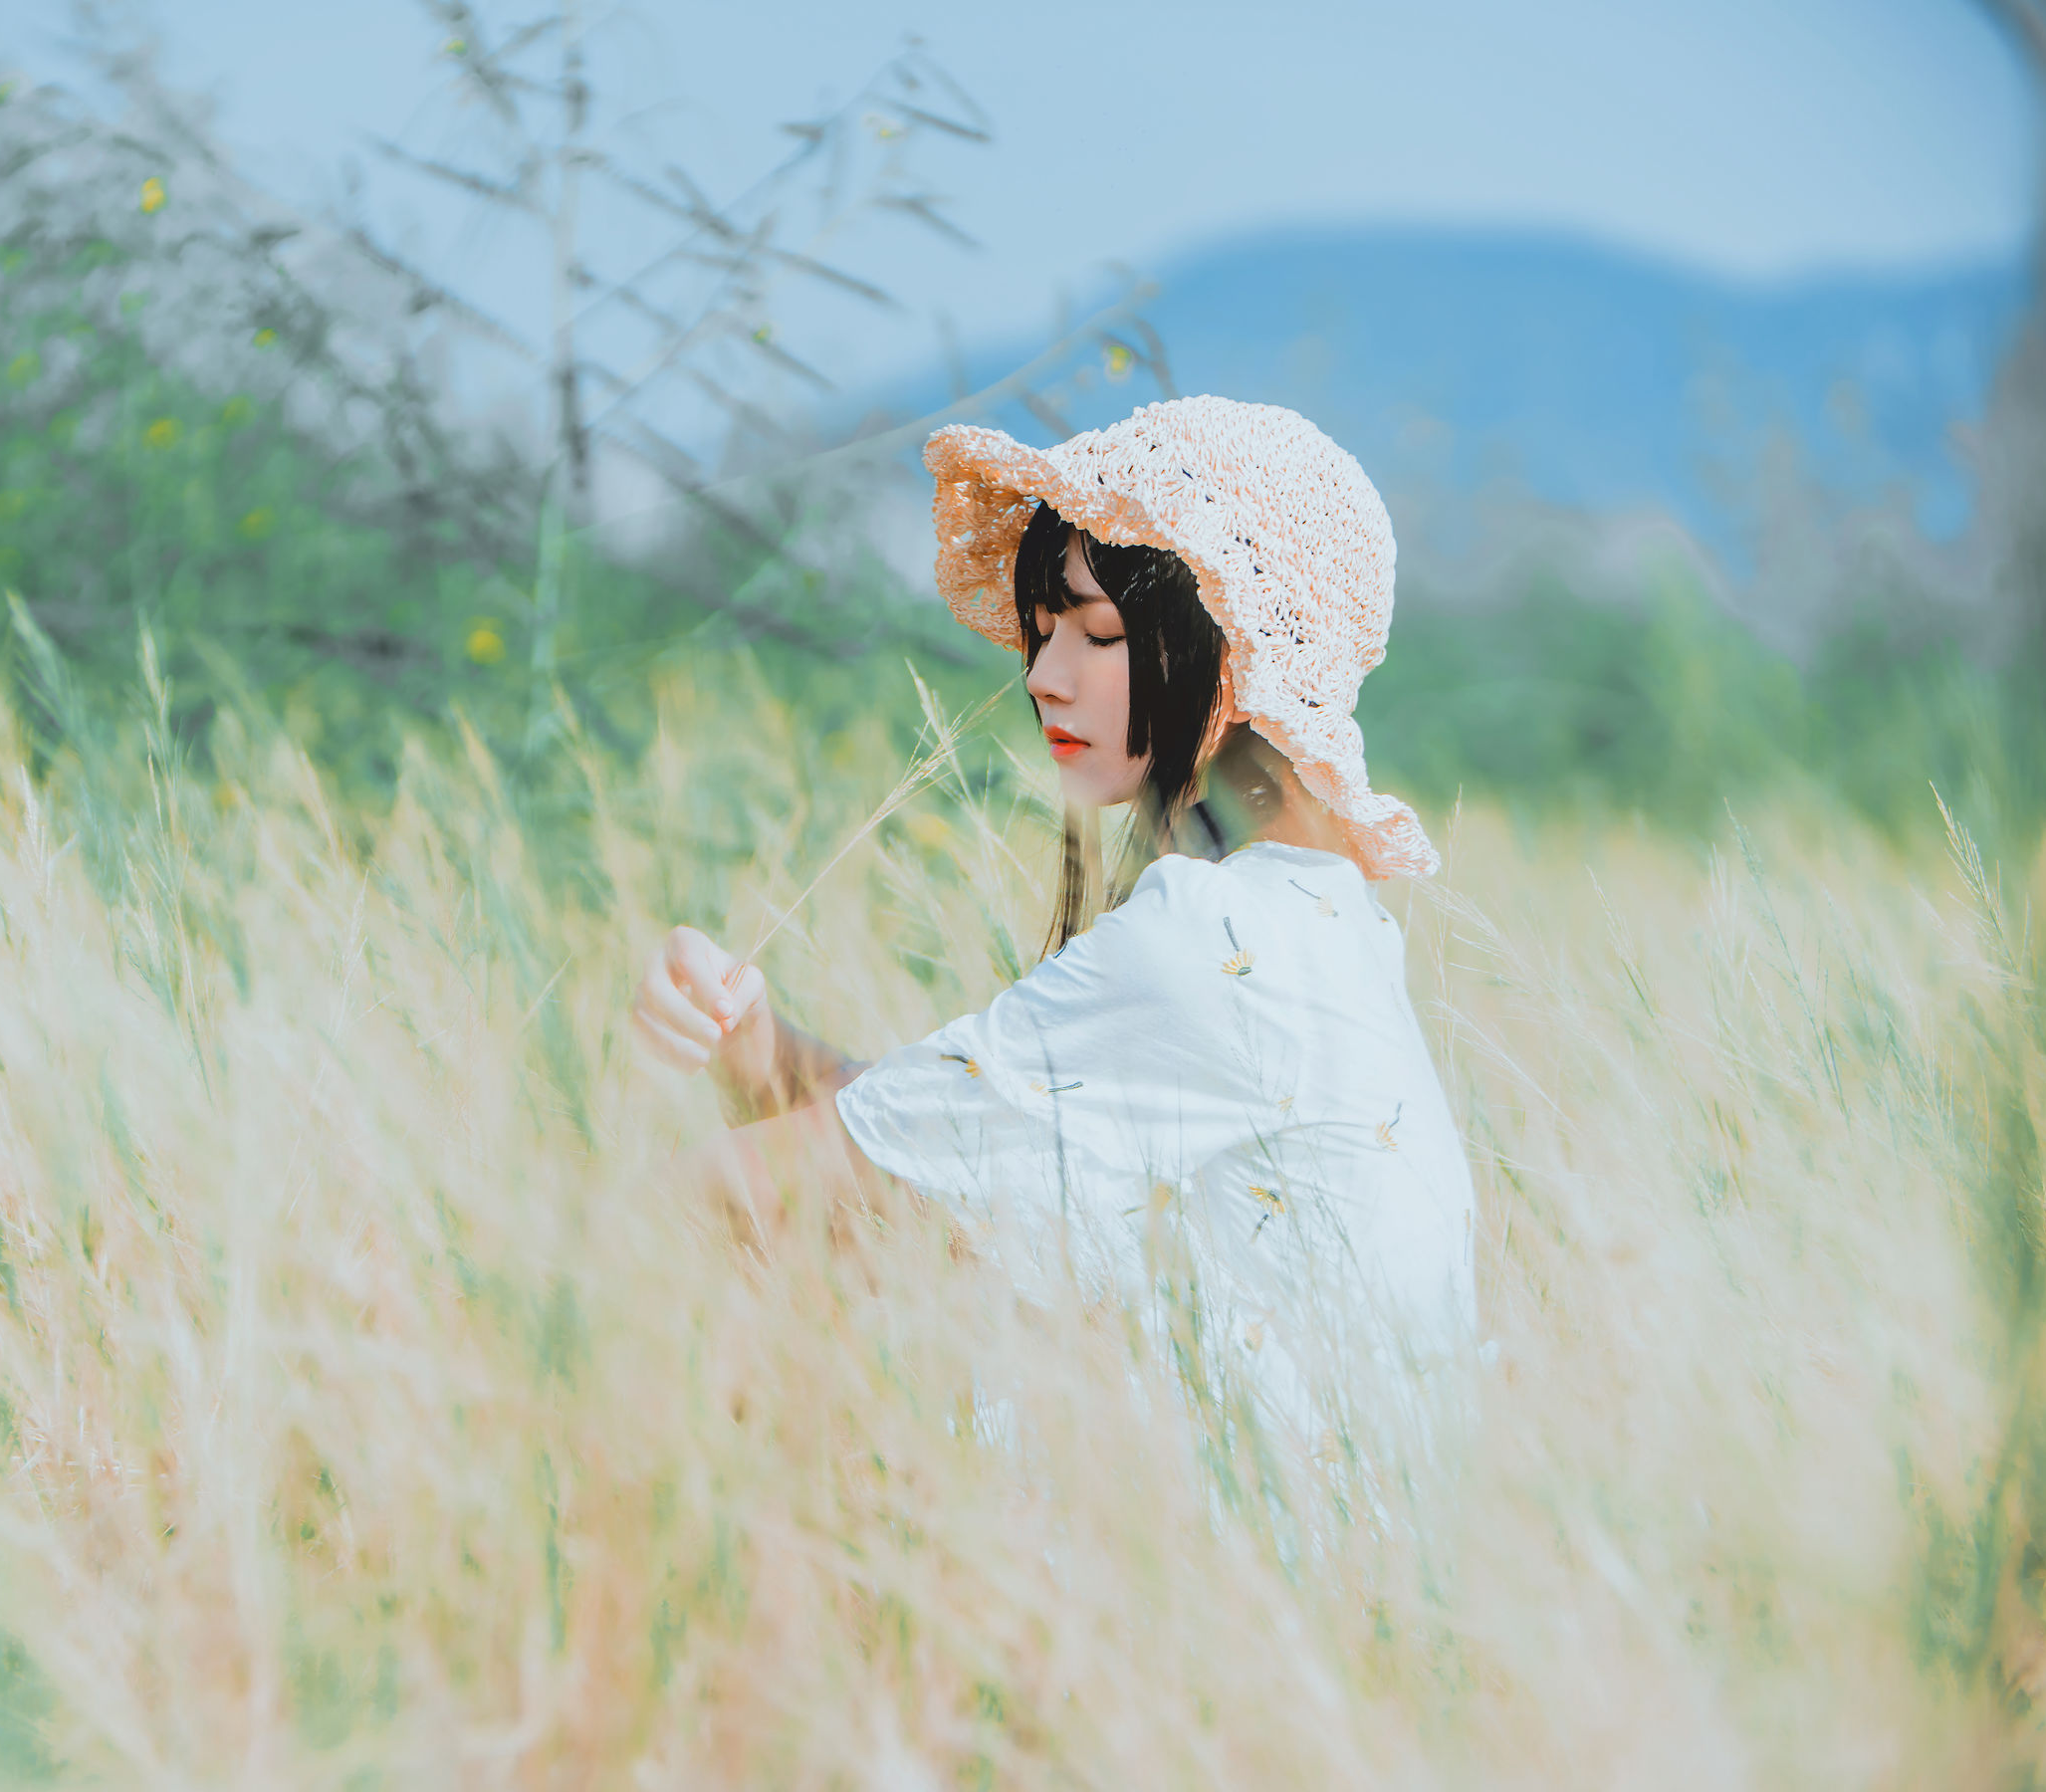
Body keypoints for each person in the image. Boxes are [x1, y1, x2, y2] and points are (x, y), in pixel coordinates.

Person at [629, 395, 1476, 1439]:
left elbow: (740, 1195)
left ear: (1240, 650)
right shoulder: (1322, 921)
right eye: (1041, 633)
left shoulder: (1214, 945)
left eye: (1100, 634)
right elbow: (934, 1144)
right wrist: (759, 1050)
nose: (1043, 677)